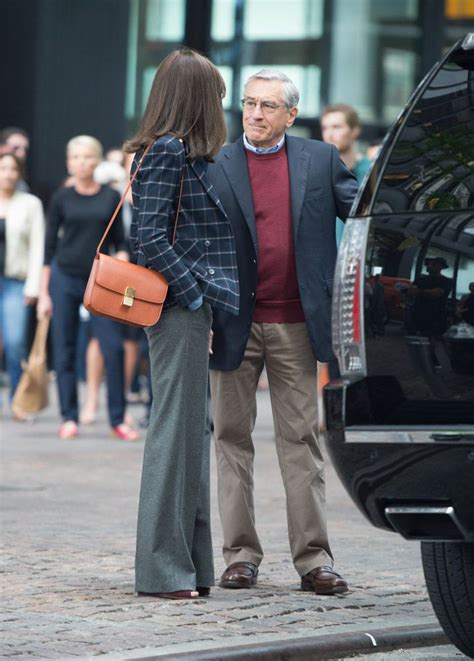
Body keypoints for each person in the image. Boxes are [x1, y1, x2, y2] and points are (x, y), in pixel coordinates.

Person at [207, 69, 358, 595]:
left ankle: (314, 561)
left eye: (269, 106)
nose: (255, 114)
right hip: (231, 324)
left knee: (299, 441)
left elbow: (362, 217)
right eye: (249, 104)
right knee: (231, 440)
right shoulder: (215, 162)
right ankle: (240, 556)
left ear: (291, 115)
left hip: (295, 323)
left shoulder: (320, 160)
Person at [126, 48, 239, 600]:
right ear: (196, 98)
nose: (221, 106)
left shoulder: (174, 153)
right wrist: (194, 297)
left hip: (185, 308)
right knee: (175, 435)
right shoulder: (167, 152)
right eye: (215, 95)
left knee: (192, 432)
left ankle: (190, 566)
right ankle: (162, 572)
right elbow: (147, 238)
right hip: (175, 308)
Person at [37, 135, 138, 441]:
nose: (82, 162)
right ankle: (69, 417)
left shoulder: (110, 197)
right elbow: (49, 247)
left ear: (97, 161)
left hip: (101, 280)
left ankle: (117, 419)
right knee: (65, 348)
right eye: (76, 157)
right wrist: (44, 294)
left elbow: (121, 242)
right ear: (69, 163)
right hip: (65, 277)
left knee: (114, 347)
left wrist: (121, 264)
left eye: (88, 157)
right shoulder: (61, 198)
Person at [0, 152, 45, 406]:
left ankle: (18, 398)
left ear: (19, 173)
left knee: (15, 341)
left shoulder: (30, 203)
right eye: (2, 168)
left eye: (12, 169)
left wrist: (34, 286)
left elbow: (38, 246)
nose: (7, 173)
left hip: (16, 282)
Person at [320, 104, 371, 244]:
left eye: (337, 127)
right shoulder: (317, 171)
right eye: (325, 128)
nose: (329, 134)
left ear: (354, 131)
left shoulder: (371, 172)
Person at [0, 127, 30, 192]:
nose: (22, 153)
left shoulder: (22, 186)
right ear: (1, 148)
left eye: (25, 149)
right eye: (15, 148)